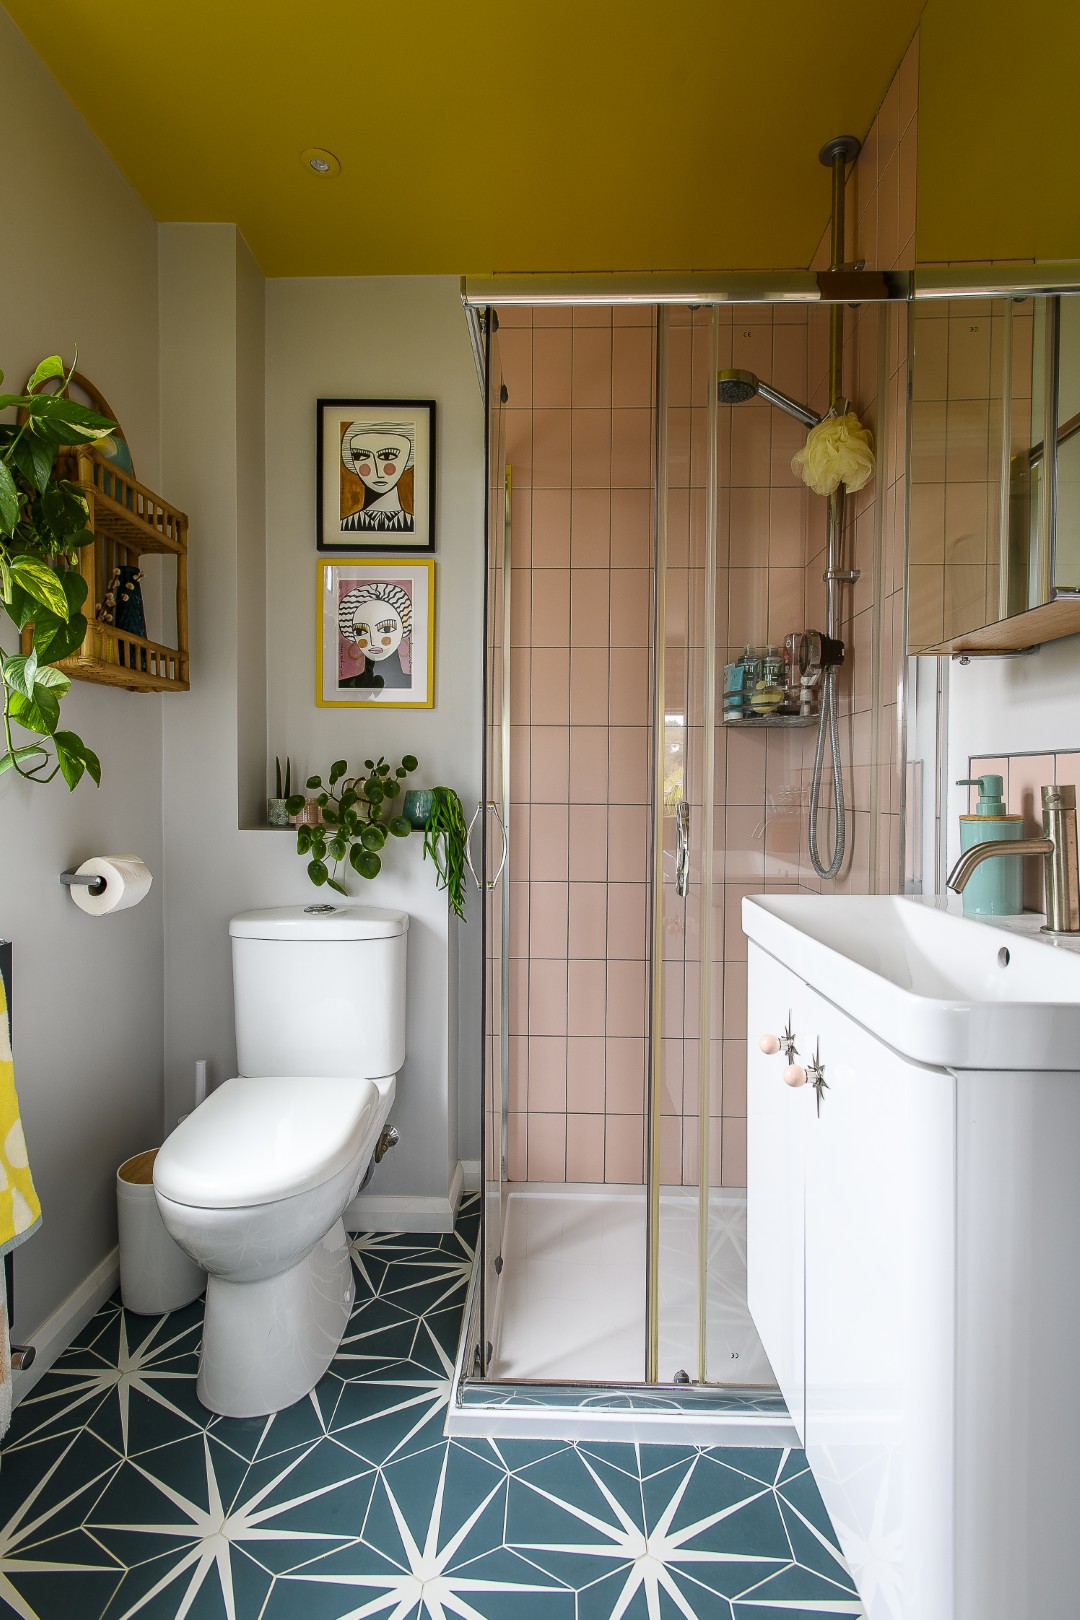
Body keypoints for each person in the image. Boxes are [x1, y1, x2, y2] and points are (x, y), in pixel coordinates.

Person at [340, 421, 415, 532]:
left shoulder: (415, 525)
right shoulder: (344, 525)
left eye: (387, 456)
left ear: (408, 458)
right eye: (360, 456)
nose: (377, 471)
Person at [337, 581, 412, 689]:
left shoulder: (415, 684)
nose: (373, 641)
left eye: (386, 628)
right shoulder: (345, 685)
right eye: (360, 631)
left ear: (403, 626)